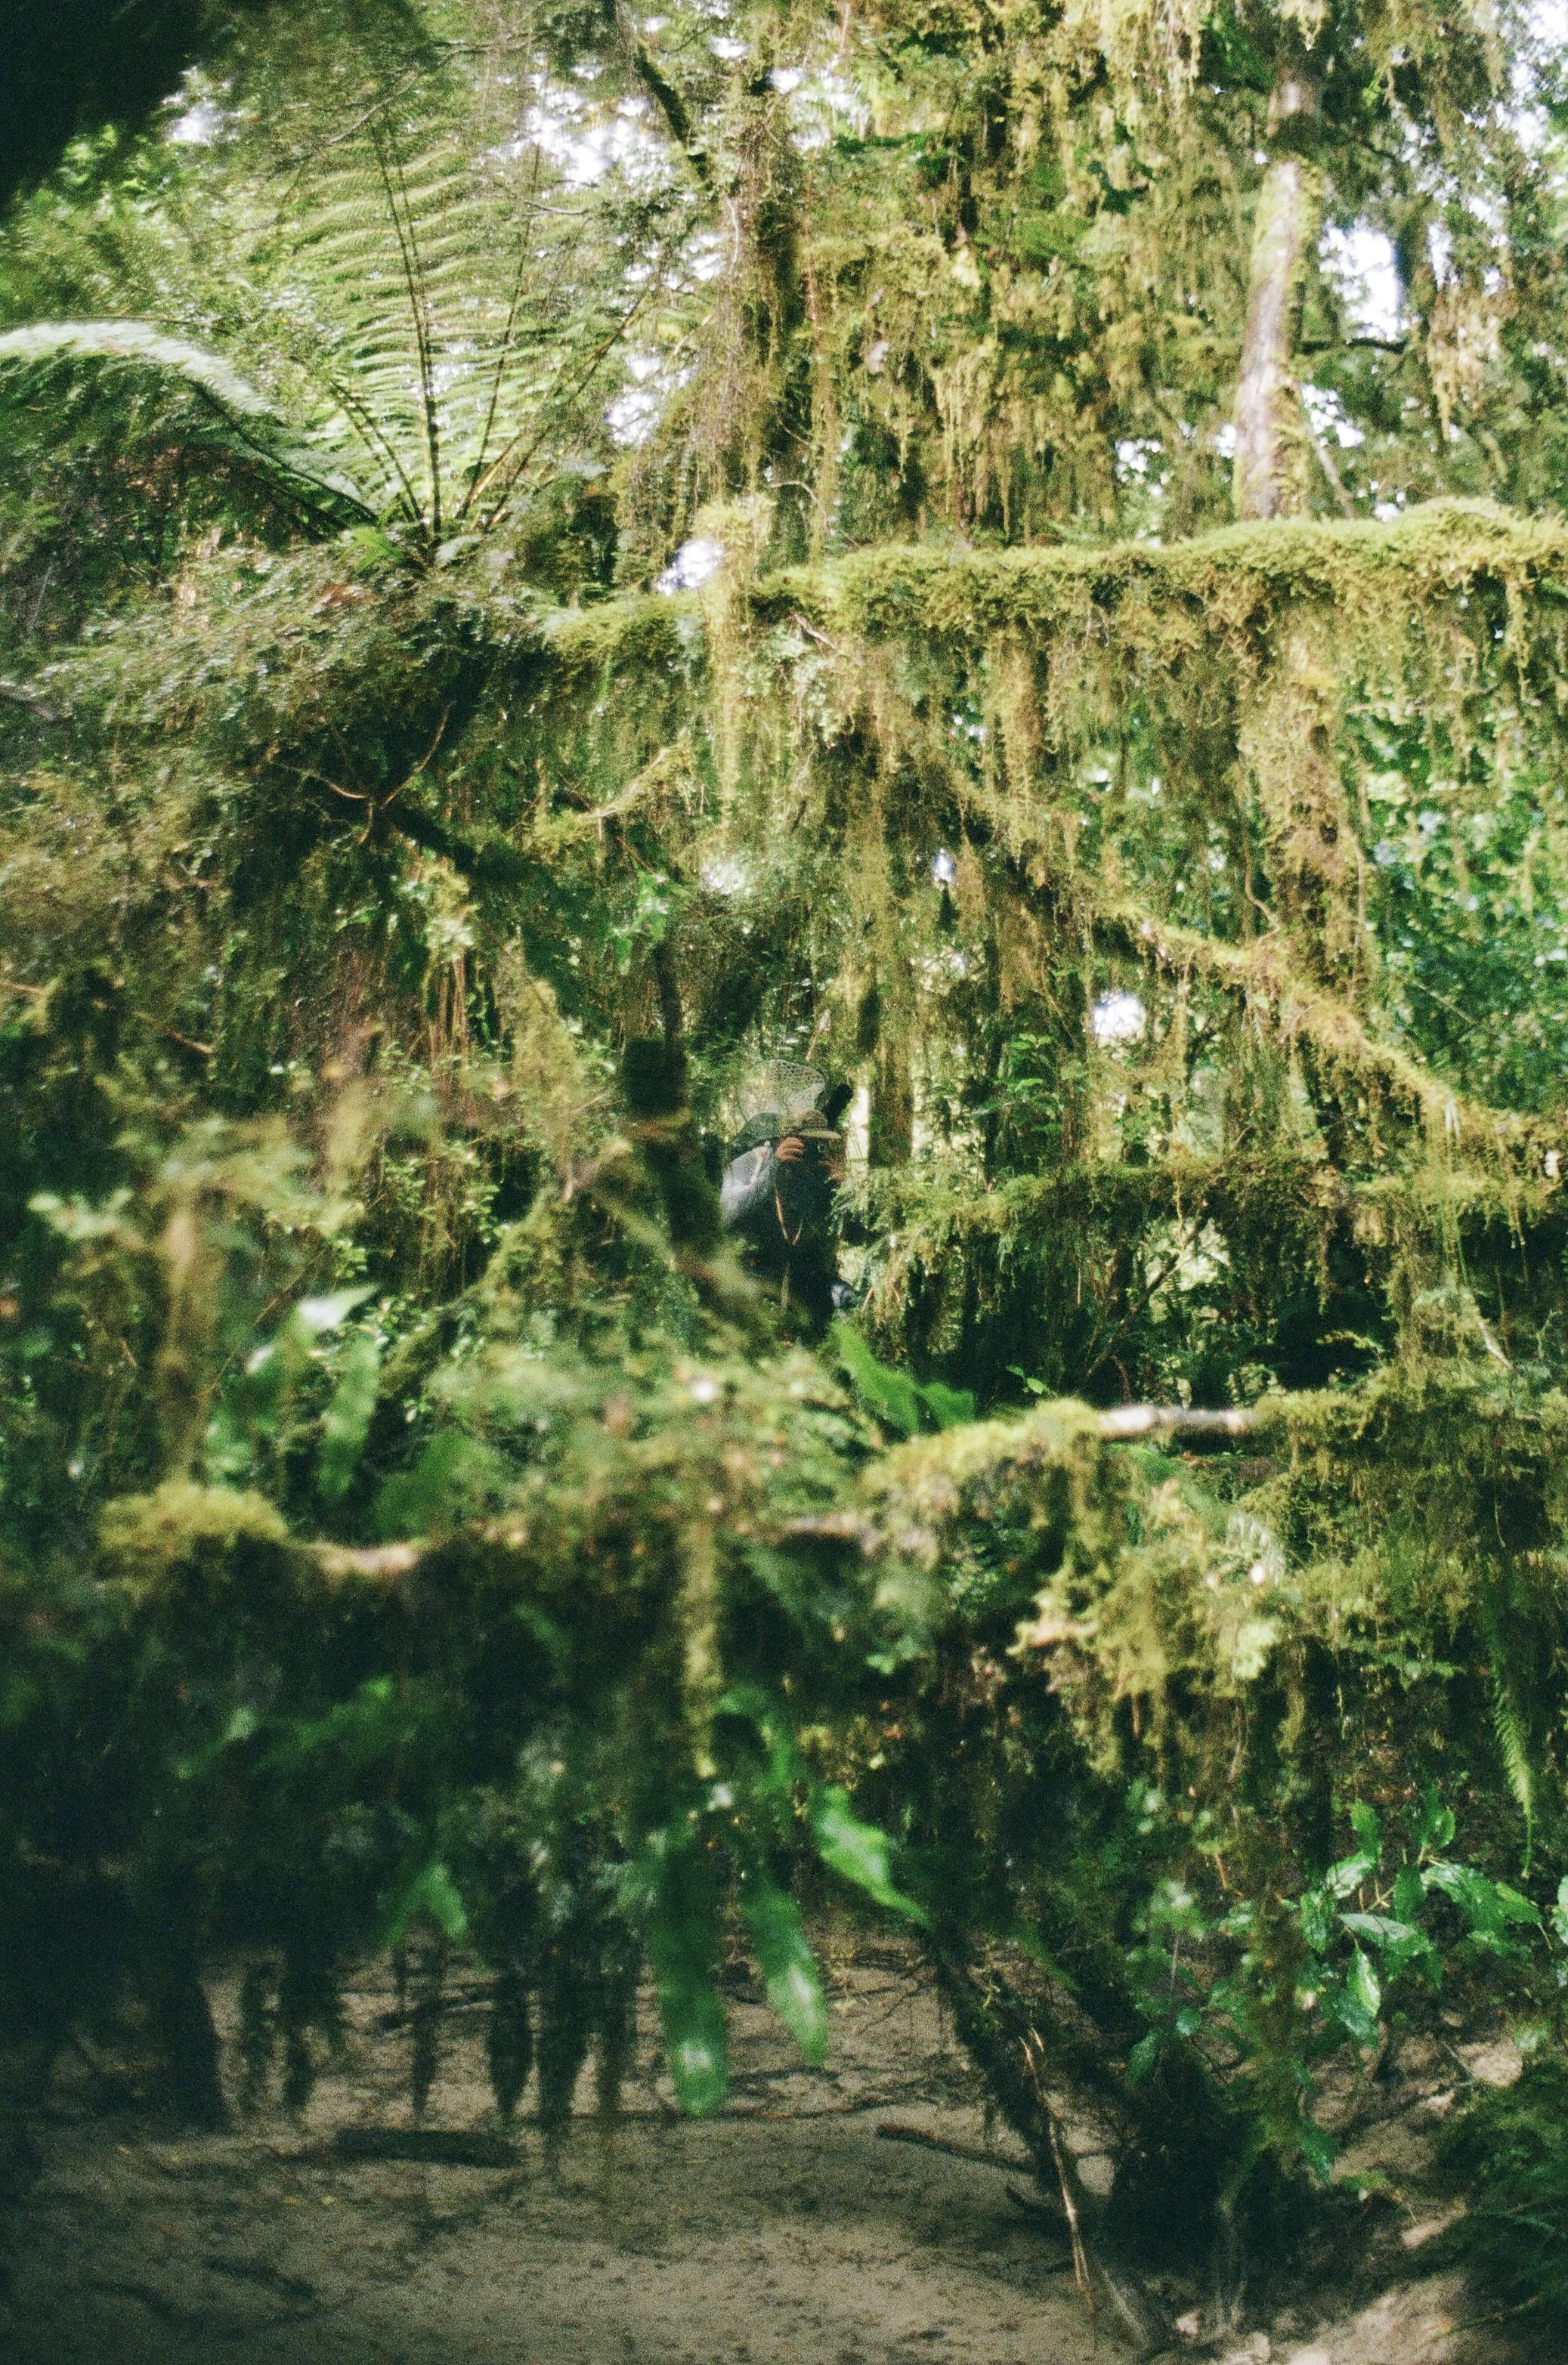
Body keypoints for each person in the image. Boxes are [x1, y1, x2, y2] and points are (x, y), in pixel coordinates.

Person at [720, 1068, 855, 1333]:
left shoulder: (819, 1177)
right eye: (808, 1144)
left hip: (804, 1287)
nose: (813, 1152)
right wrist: (774, 1169)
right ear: (788, 1140)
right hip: (753, 1281)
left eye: (821, 1145)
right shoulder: (755, 1163)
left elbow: (854, 1233)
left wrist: (845, 1192)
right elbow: (730, 1216)